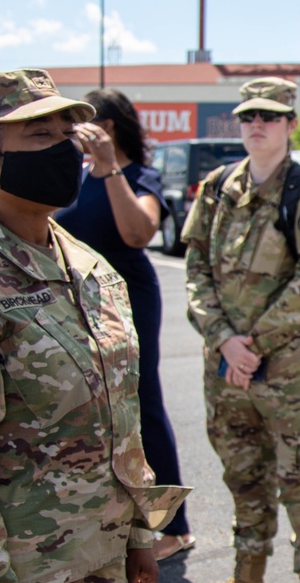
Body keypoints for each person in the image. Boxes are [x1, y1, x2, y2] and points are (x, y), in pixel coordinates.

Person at [0, 69, 189, 583]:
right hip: (18, 567)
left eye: (68, 135)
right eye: (41, 137)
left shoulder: (89, 267)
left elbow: (122, 421)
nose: (65, 151)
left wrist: (138, 536)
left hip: (101, 558)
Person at [182, 77, 300, 583]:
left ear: (290, 124)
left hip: (292, 377)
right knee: (244, 483)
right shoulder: (217, 188)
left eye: (269, 117)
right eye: (249, 116)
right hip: (227, 372)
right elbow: (196, 270)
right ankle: (246, 574)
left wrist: (250, 347)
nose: (257, 125)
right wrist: (224, 341)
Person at [55, 88, 195, 561]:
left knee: (143, 405)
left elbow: (139, 232)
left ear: (109, 127)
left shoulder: (138, 176)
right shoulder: (74, 177)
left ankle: (172, 528)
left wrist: (109, 165)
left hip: (128, 299)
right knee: (89, 407)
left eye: (85, 125)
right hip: (77, 301)